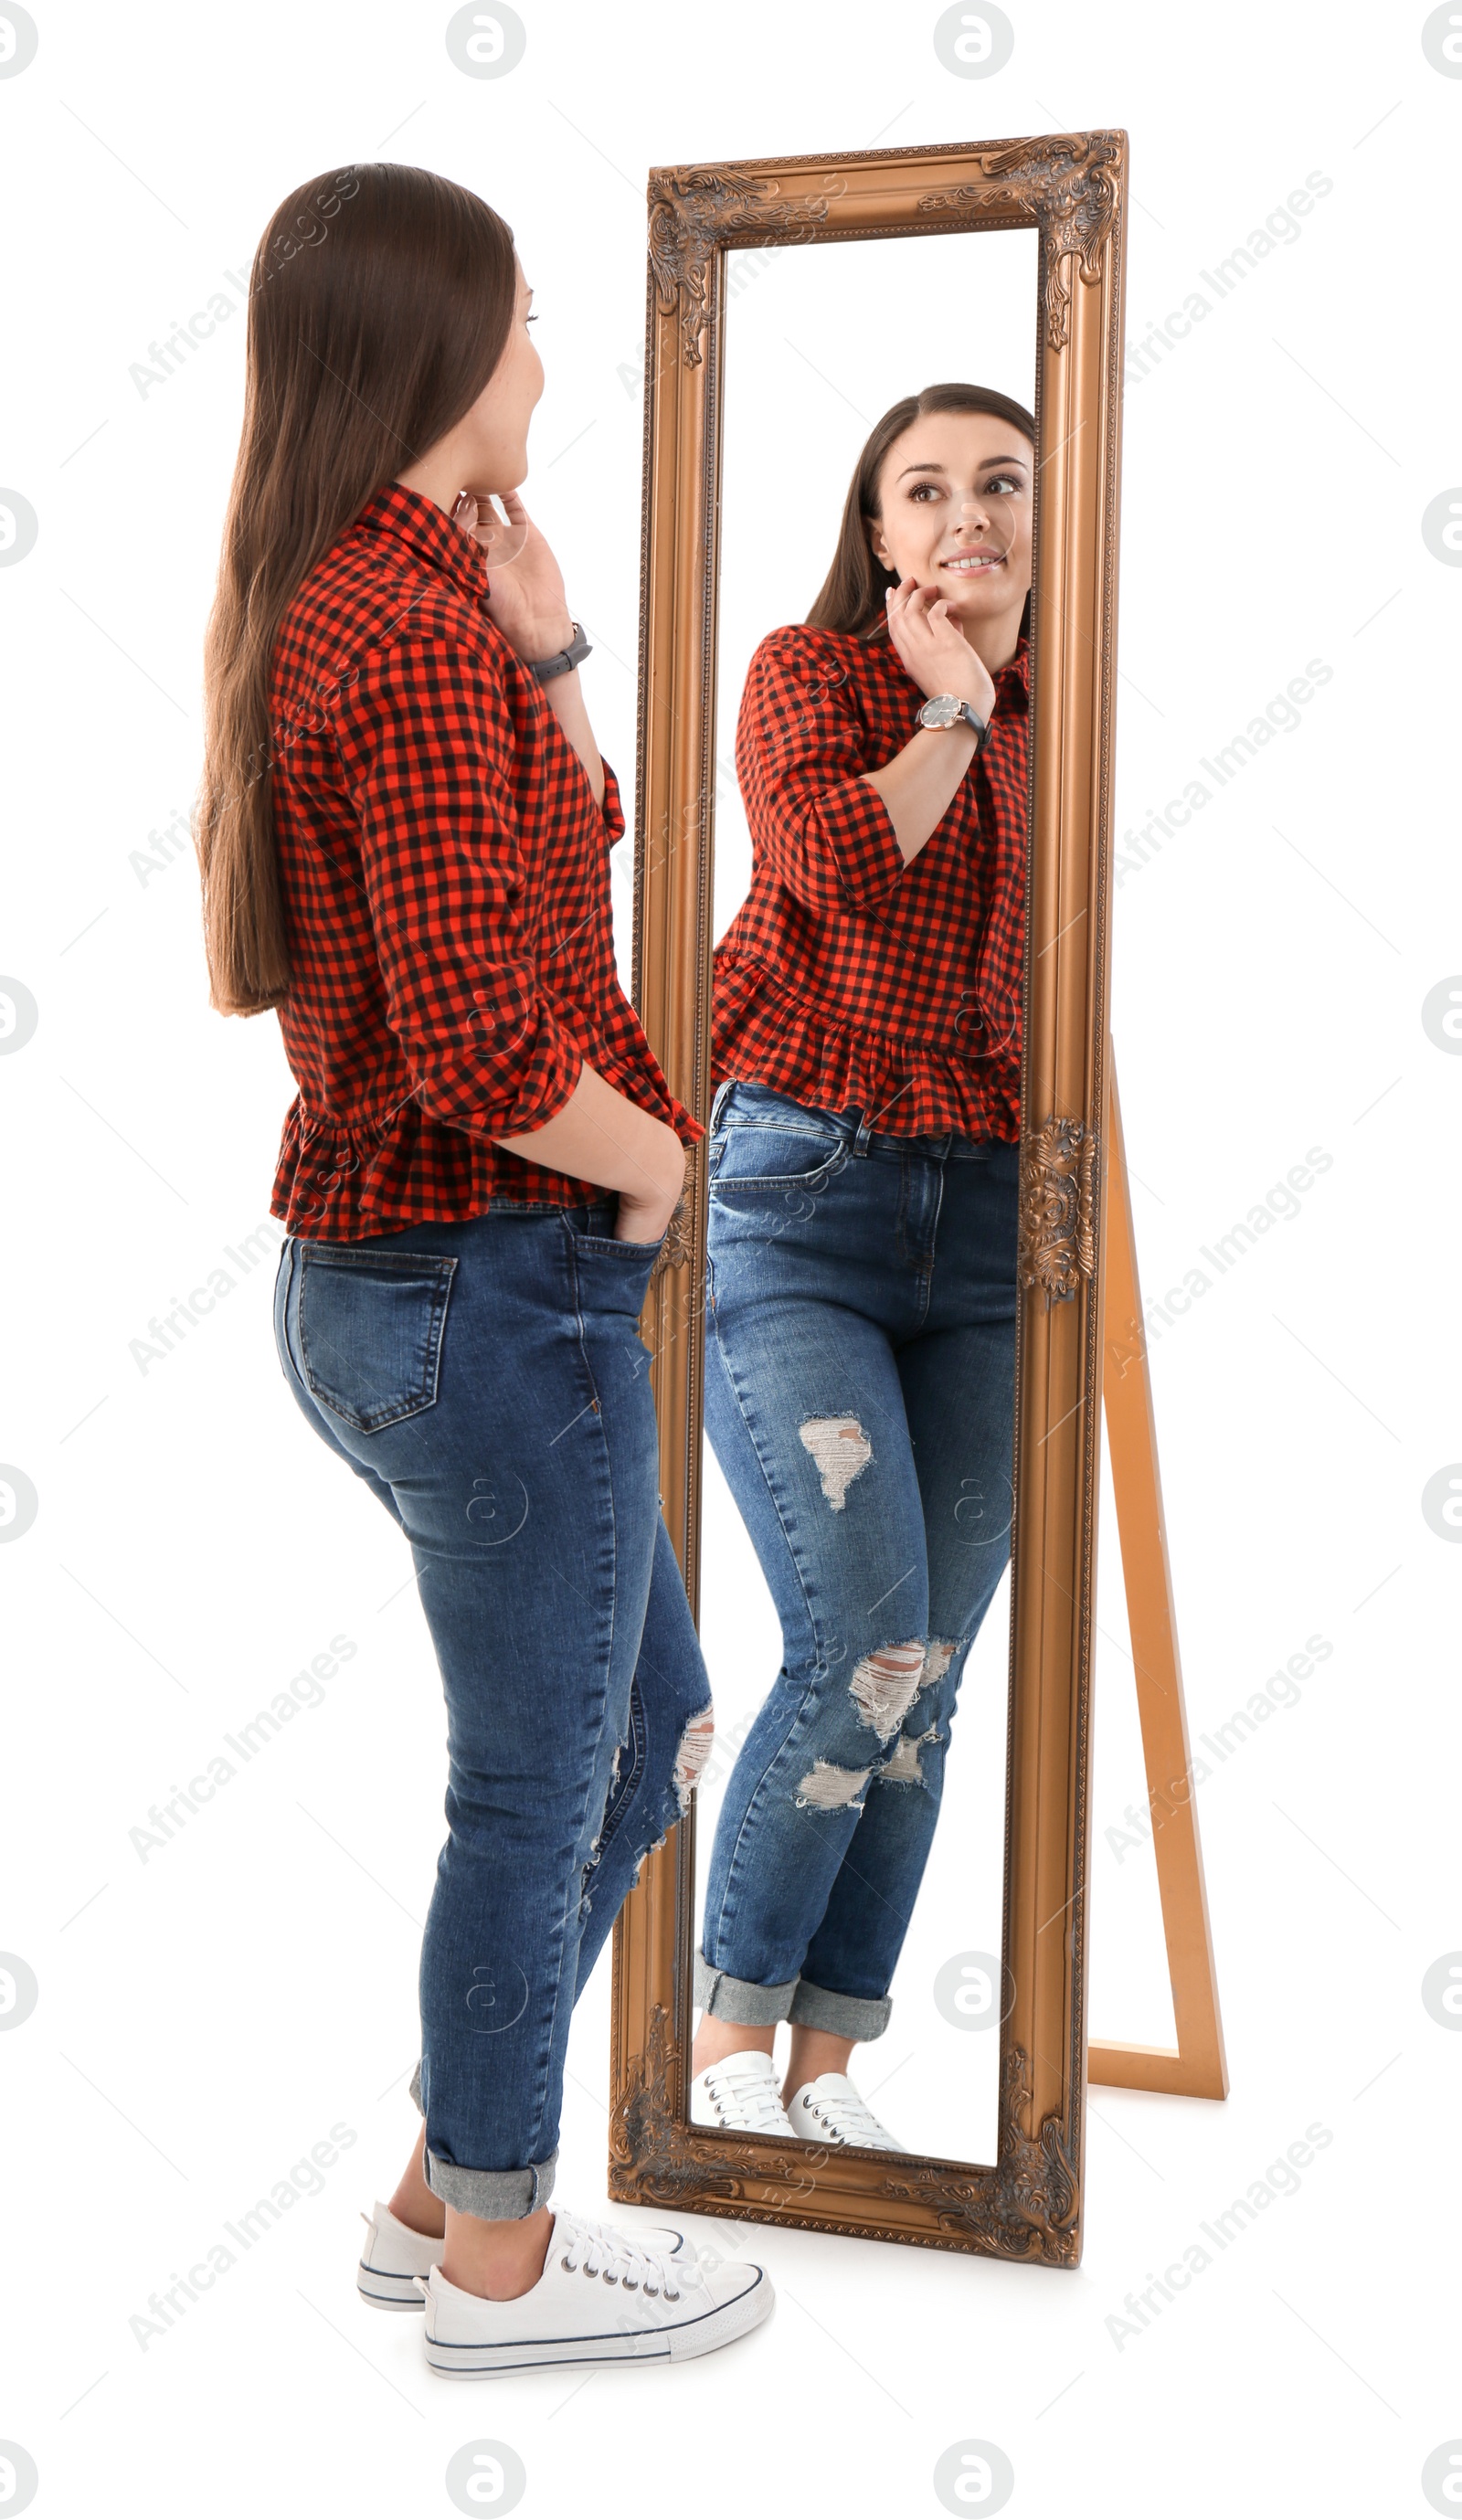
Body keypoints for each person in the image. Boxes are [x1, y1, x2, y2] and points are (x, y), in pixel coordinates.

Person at [196, 161, 771, 2373]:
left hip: (401, 1284)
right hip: (475, 1274)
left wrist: (549, 649)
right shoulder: (402, 631)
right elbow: (479, 1035)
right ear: (438, 347)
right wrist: (660, 1165)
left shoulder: (395, 602)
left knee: (648, 1723)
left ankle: (445, 2178)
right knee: (538, 1782)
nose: (545, 354)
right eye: (522, 317)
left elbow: (552, 858)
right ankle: (505, 2270)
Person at [688, 384, 1033, 2152]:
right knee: (865, 1639)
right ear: (881, 535)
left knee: (938, 1664)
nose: (966, 512)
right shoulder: (809, 674)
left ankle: (827, 2067)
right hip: (802, 1194)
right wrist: (955, 712)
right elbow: (827, 855)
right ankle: (725, 2034)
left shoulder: (1076, 726)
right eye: (927, 489)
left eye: (1001, 483)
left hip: (990, 1226)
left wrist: (1011, 714)